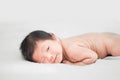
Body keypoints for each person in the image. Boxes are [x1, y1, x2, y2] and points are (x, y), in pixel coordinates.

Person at [20, 30, 120, 66]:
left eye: (47, 49)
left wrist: (75, 64)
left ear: (54, 37)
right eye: (43, 59)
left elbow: (93, 56)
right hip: (105, 36)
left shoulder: (71, 50)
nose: (49, 57)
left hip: (109, 44)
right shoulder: (63, 45)